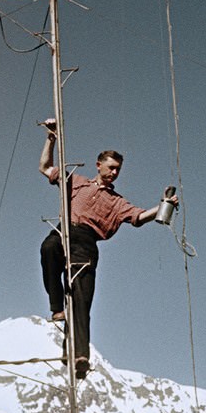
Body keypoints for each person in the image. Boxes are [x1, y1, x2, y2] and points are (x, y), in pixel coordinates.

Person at [38, 118, 177, 379]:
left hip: (87, 242)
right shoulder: (76, 181)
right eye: (111, 168)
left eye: (118, 170)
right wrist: (51, 138)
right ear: (98, 165)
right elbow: (45, 167)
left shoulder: (116, 201)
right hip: (65, 229)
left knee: (82, 298)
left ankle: (79, 356)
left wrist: (163, 206)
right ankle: (56, 306)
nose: (114, 173)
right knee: (48, 248)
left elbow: (138, 217)